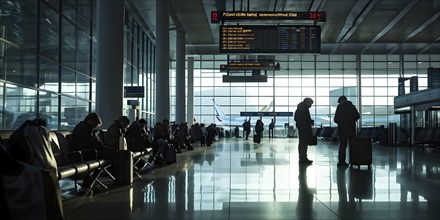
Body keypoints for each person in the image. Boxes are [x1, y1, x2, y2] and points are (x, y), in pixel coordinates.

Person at [334, 95, 360, 167]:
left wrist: (341, 122)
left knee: (342, 146)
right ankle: (353, 161)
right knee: (352, 146)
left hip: (342, 130)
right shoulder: (352, 107)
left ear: (342, 101)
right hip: (351, 129)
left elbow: (336, 119)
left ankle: (341, 162)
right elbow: (358, 116)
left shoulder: (340, 107)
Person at [294, 98, 314, 164]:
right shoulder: (304, 109)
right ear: (307, 102)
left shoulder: (299, 108)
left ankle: (302, 157)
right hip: (304, 128)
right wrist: (310, 121)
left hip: (301, 128)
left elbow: (296, 118)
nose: (311, 105)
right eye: (310, 104)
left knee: (302, 143)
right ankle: (303, 158)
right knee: (304, 143)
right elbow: (305, 118)